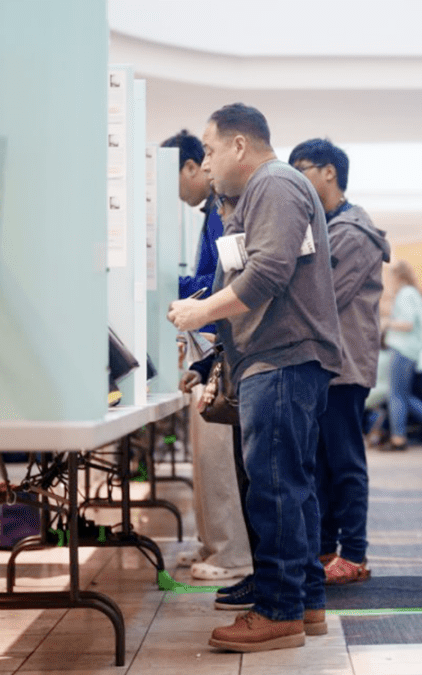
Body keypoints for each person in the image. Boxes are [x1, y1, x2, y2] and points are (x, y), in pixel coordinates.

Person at [168, 103, 342, 652]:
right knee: (289, 488)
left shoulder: (276, 185)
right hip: (273, 359)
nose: (206, 163)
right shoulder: (256, 193)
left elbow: (268, 270)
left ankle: (279, 611)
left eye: (211, 150)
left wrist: (200, 313)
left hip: (283, 358)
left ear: (239, 145)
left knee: (275, 490)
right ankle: (304, 602)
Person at [289, 138, 389, 585]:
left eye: (302, 168)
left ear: (329, 172)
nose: (296, 178)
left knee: (345, 463)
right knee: (322, 465)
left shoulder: (353, 233)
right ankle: (327, 549)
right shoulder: (326, 226)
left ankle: (355, 553)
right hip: (325, 364)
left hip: (345, 366)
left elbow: (323, 297)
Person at [162, 129, 252, 581]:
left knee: (219, 460)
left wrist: (169, 286)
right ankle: (214, 543)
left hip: (225, 350)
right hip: (212, 350)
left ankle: (231, 553)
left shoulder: (224, 209)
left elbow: (220, 282)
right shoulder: (212, 212)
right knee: (208, 460)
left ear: (191, 166)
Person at [384, 261, 422, 451]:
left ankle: (399, 437)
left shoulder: (405, 294)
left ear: (397, 277)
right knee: (403, 394)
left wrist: (386, 323)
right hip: (411, 350)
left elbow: (407, 323)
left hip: (402, 349)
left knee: (396, 395)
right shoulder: (414, 294)